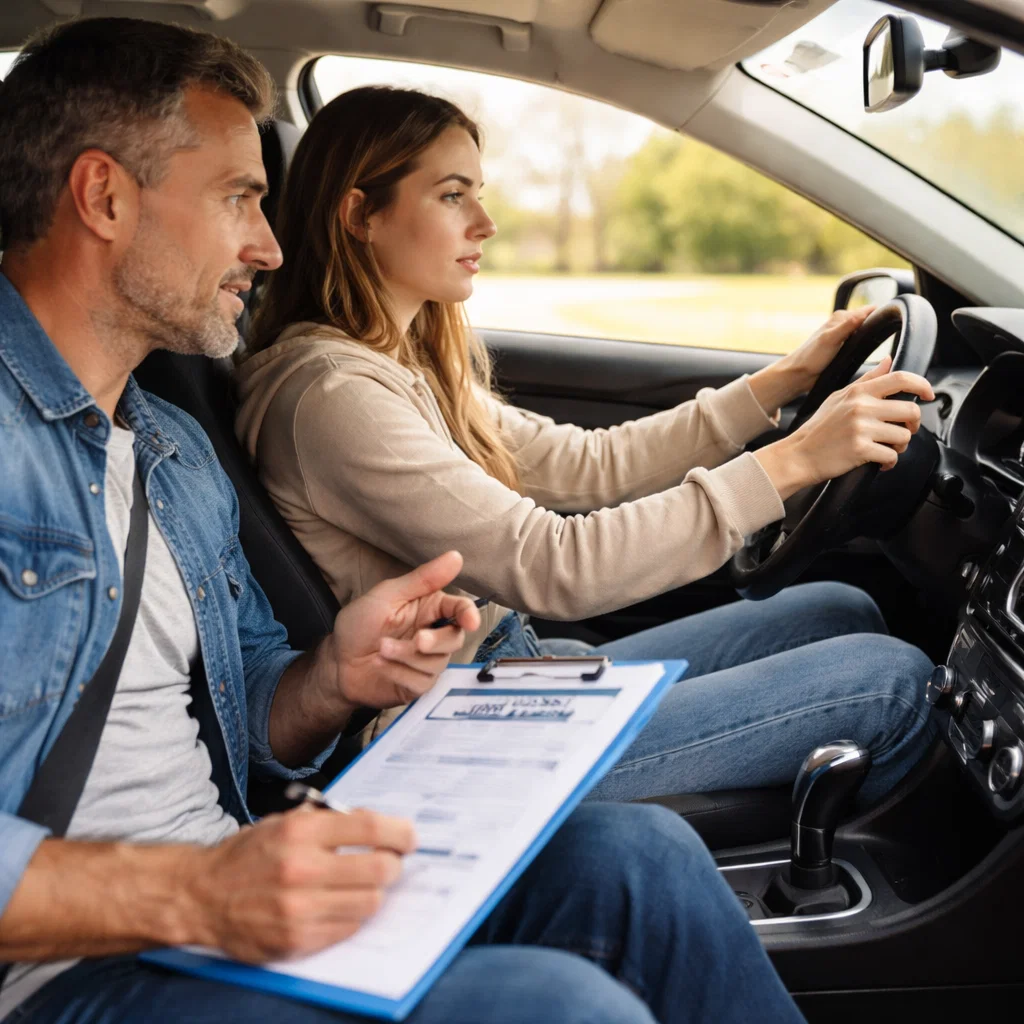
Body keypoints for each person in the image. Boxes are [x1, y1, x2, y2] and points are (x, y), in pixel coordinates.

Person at [0, 17, 808, 1024]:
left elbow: (253, 708)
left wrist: (332, 677)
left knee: (635, 859)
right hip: (72, 972)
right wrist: (192, 891)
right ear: (105, 196)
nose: (268, 241)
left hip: (235, 887)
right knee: (558, 1008)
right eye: (238, 197)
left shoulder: (172, 447)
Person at [236, 85, 937, 802]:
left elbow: (587, 463)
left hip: (505, 675)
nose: (486, 223)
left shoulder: (393, 362)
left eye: (478, 193)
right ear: (360, 214)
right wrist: (795, 461)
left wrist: (780, 384)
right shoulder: (333, 394)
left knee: (837, 611)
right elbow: (553, 564)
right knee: (894, 685)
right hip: (443, 738)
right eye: (453, 196)